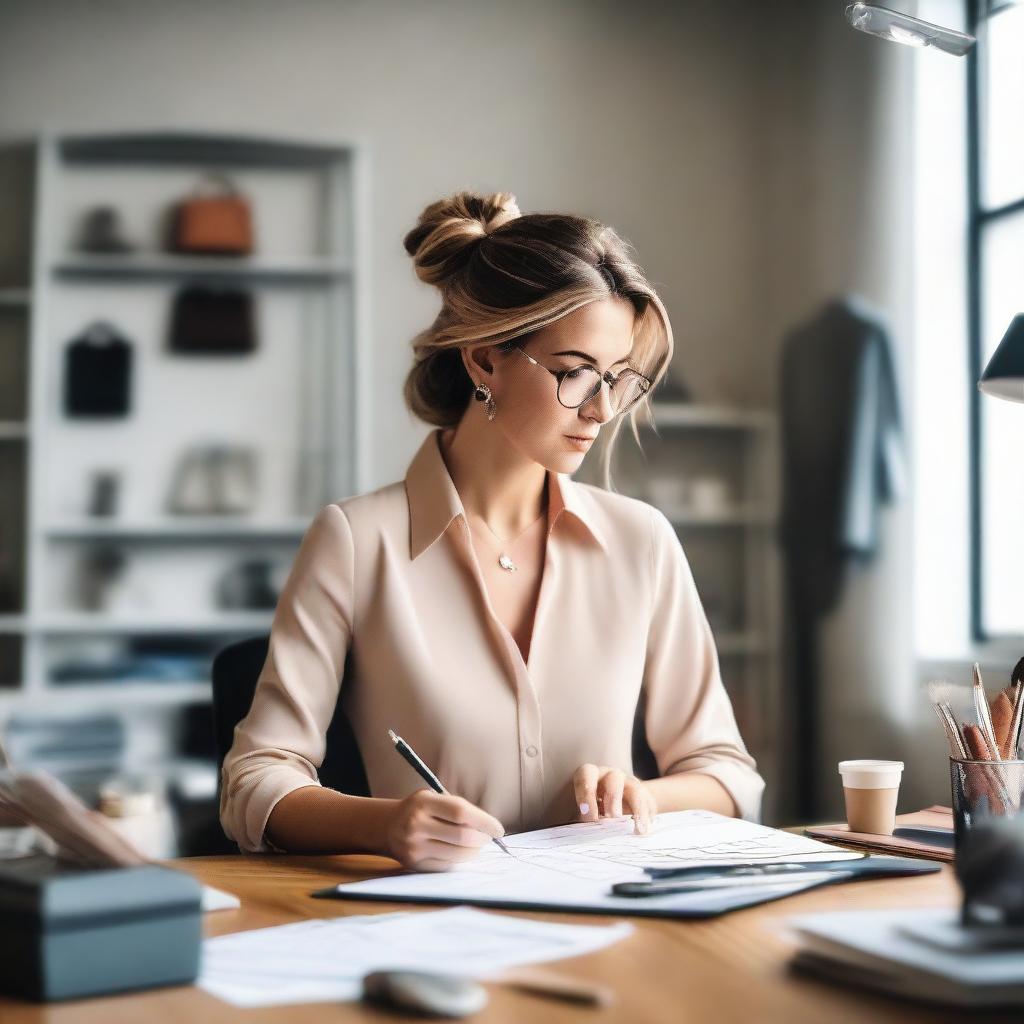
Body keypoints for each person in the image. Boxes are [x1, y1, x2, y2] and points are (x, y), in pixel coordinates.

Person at [220, 191, 764, 871]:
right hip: (432, 931)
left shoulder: (642, 541)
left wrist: (643, 795)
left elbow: (729, 775)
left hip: (614, 922)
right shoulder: (356, 542)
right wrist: (388, 825)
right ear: (483, 361)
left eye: (618, 380)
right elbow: (254, 781)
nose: (600, 410)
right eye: (573, 374)